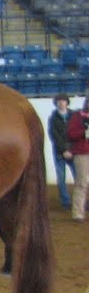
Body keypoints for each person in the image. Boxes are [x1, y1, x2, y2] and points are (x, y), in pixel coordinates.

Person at [47, 95, 75, 210]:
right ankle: (66, 202)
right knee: (61, 178)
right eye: (58, 101)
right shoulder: (52, 118)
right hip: (59, 152)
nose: (61, 103)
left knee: (79, 177)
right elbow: (54, 135)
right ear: (56, 103)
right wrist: (64, 150)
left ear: (67, 102)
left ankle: (80, 200)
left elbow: (77, 133)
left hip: (73, 151)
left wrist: (72, 149)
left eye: (63, 101)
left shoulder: (74, 116)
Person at [68, 93, 89, 223]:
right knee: (81, 183)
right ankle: (78, 212)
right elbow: (71, 133)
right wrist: (84, 132)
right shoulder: (78, 116)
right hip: (82, 152)